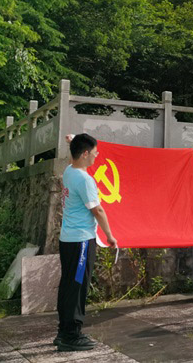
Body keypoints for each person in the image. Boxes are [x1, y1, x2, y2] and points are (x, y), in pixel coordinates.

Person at [55, 133, 117, 351]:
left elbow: (74, 153)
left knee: (68, 285)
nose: (96, 156)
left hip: (68, 240)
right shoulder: (85, 180)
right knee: (78, 286)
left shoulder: (69, 171)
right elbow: (97, 210)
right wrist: (109, 235)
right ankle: (71, 335)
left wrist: (72, 140)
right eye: (94, 153)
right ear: (84, 154)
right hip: (81, 242)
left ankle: (64, 331)